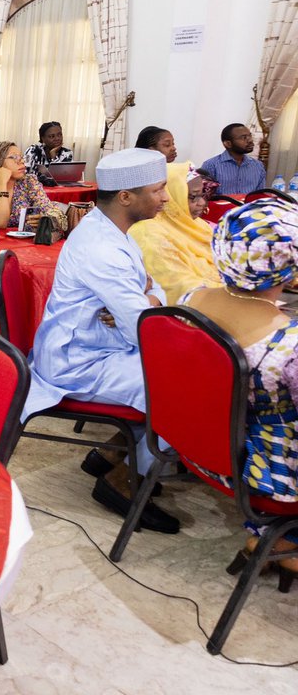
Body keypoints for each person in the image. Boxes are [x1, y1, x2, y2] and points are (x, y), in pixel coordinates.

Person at [22, 147, 178, 533]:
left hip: (97, 346)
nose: (166, 198)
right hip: (79, 361)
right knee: (186, 388)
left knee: (177, 373)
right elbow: (144, 326)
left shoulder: (109, 228)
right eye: (159, 190)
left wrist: (146, 299)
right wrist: (143, 304)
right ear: (126, 197)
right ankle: (122, 482)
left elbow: (148, 291)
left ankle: (111, 453)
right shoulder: (103, 247)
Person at [179, 200, 298, 581]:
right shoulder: (286, 344)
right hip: (267, 475)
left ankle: (274, 541)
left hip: (196, 448)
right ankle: (282, 541)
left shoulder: (189, 301)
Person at [128, 163, 219, 304]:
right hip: (197, 308)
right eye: (193, 197)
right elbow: (180, 287)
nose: (201, 203)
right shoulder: (149, 235)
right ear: (172, 197)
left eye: (202, 195)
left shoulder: (195, 225)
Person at [0, 141, 65, 231]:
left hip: (24, 244)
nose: (21, 161)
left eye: (22, 157)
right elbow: (0, 223)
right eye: (13, 157)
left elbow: (50, 209)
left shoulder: (29, 182)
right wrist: (2, 184)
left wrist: (43, 218)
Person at [200, 123, 266, 194]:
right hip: (220, 205)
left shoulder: (258, 166)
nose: (250, 140)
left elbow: (260, 196)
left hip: (249, 205)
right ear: (228, 144)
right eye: (244, 138)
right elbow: (204, 196)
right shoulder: (211, 165)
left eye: (250, 136)